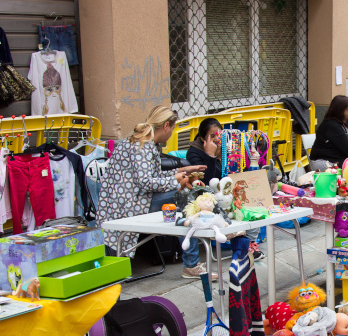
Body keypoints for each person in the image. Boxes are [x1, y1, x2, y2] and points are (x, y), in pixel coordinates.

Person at [97, 106, 218, 279]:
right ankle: (191, 264)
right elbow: (146, 183)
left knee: (185, 197)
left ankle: (191, 261)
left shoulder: (141, 141)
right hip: (129, 204)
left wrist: (183, 171)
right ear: (166, 125)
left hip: (128, 199)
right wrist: (178, 182)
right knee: (185, 199)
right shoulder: (144, 146)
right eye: (173, 128)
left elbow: (151, 177)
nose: (172, 133)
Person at [186, 118, 265, 260]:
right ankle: (244, 246)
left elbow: (229, 174)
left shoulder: (222, 149)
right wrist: (210, 155)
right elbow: (207, 181)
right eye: (212, 135)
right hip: (208, 199)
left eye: (219, 134)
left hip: (225, 194)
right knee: (236, 209)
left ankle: (250, 243)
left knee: (250, 202)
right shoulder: (194, 153)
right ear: (203, 137)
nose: (217, 139)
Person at [310, 95, 348, 171]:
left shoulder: (344, 123)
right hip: (325, 162)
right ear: (343, 110)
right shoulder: (332, 126)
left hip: (337, 159)